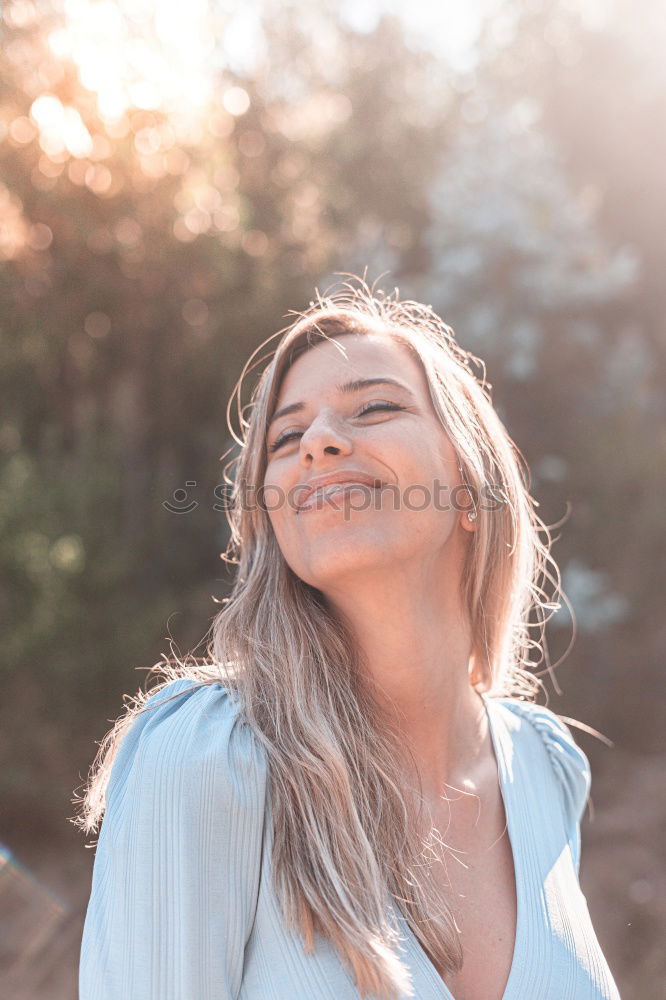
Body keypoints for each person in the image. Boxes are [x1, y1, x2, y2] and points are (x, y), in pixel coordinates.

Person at [75, 278, 622, 999]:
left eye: (375, 407)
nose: (320, 443)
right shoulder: (211, 760)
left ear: (469, 484)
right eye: (286, 436)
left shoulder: (549, 770)